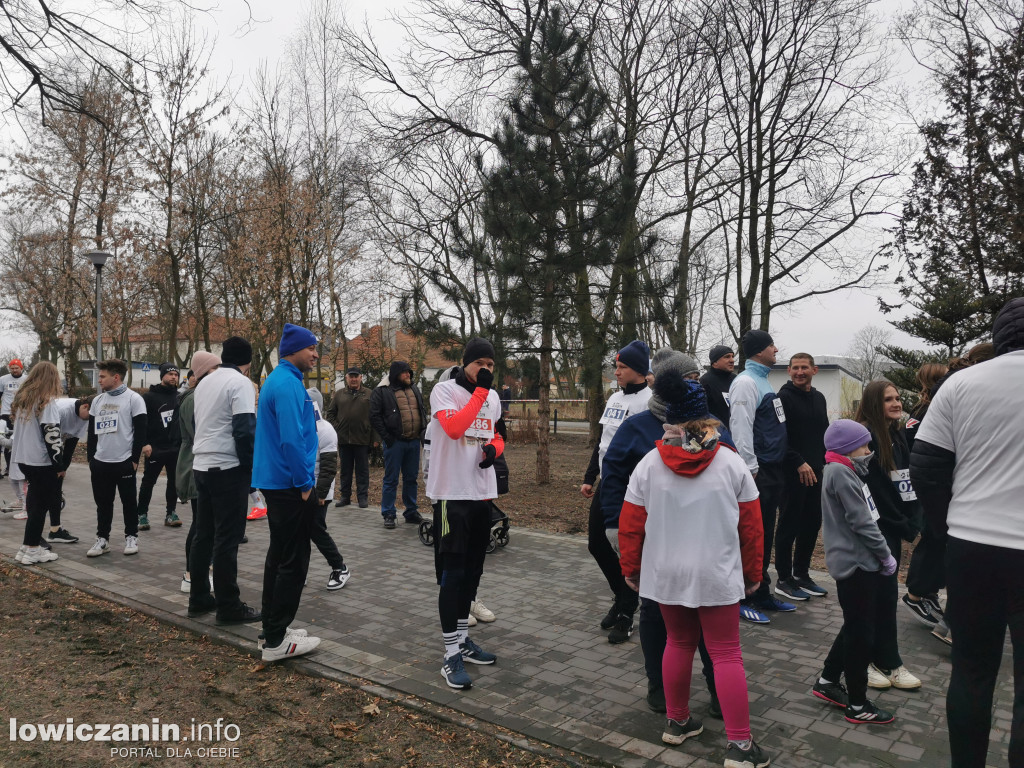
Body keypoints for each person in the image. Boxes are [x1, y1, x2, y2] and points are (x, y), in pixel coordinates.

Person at [618, 379, 770, 768]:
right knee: (726, 653)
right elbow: (752, 527)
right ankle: (740, 746)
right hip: (715, 573)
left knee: (678, 643)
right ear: (706, 420)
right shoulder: (731, 462)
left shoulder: (649, 464)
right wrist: (754, 575)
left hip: (665, 573)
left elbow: (631, 524)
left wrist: (631, 570)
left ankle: (678, 720)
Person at [911, 297, 1024, 768]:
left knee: (972, 672)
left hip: (972, 547)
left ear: (998, 338)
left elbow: (927, 466)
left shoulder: (962, 383)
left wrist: (947, 526)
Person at [602, 350, 726, 716]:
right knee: (655, 615)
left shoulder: (713, 429)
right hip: (657, 543)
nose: (694, 384)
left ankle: (720, 689)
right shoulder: (637, 427)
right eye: (687, 378)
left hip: (707, 544)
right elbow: (613, 476)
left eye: (696, 378)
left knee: (710, 620)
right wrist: (614, 525)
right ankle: (659, 684)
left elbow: (734, 480)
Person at [427, 338, 504, 690]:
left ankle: (463, 642)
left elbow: (499, 432)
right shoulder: (443, 392)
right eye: (480, 363)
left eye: (491, 363)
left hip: (482, 493)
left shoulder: (493, 397)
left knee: (473, 574)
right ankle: (449, 654)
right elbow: (455, 429)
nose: (485, 369)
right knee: (453, 575)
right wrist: (479, 394)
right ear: (465, 363)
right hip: (451, 496)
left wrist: (494, 448)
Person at [812, 420, 897, 725]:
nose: (869, 451)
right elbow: (862, 523)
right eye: (864, 445)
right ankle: (858, 704)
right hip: (857, 565)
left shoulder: (842, 470)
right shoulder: (842, 473)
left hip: (858, 563)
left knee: (855, 624)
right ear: (849, 447)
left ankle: (828, 680)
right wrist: (886, 555)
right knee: (861, 635)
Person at [253, 323, 323, 662]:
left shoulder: (281, 381)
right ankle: (277, 640)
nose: (315, 354)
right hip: (289, 484)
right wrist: (305, 484)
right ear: (294, 349)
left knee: (279, 556)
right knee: (292, 561)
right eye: (311, 348)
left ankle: (272, 629)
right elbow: (292, 440)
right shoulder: (286, 385)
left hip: (278, 481)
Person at [580, 340, 651, 644]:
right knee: (597, 543)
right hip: (608, 484)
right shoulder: (613, 399)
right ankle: (622, 596)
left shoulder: (650, 401)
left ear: (637, 369)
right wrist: (589, 476)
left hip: (633, 487)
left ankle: (626, 613)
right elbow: (603, 441)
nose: (617, 372)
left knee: (628, 549)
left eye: (622, 367)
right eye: (617, 367)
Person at [853, 380, 922, 691]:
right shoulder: (866, 438)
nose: (896, 404)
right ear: (872, 404)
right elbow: (878, 493)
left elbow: (905, 483)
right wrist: (904, 526)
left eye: (897, 398)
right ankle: (864, 660)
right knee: (871, 598)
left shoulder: (897, 434)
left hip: (894, 528)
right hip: (874, 530)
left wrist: (914, 521)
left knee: (885, 596)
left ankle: (886, 658)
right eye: (887, 400)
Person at [189, 336, 260, 625]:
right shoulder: (240, 383)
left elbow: (197, 423)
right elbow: (244, 430)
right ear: (248, 362)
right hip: (228, 467)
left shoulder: (206, 381)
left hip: (202, 465)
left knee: (203, 535)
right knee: (227, 539)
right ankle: (229, 606)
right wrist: (251, 471)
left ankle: (199, 598)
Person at [729, 330, 794, 623]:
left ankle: (761, 590)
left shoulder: (763, 379)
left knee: (765, 534)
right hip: (760, 472)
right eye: (771, 346)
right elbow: (741, 429)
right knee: (753, 535)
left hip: (774, 469)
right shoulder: (744, 382)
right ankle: (743, 596)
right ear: (758, 351)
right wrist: (749, 469)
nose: (776, 349)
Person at [774, 354, 830, 601]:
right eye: (795, 368)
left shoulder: (819, 398)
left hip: (816, 472)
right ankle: (784, 578)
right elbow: (779, 437)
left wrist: (827, 459)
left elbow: (824, 434)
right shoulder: (782, 398)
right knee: (789, 524)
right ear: (788, 370)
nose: (799, 372)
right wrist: (798, 462)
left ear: (814, 370)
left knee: (811, 524)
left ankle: (802, 574)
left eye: (804, 367)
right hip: (792, 472)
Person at [900, 361, 949, 637]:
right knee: (932, 537)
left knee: (939, 539)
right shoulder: (924, 410)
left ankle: (928, 590)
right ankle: (916, 594)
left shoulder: (931, 408)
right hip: (929, 486)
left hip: (934, 485)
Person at [86, 359, 147, 557]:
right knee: (103, 503)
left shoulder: (134, 399)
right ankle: (102, 539)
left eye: (102, 376)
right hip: (101, 462)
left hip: (124, 461)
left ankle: (131, 536)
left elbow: (141, 431)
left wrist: (134, 459)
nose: (99, 380)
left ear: (116, 377)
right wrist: (91, 459)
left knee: (129, 502)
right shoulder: (98, 400)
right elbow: (91, 433)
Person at [10, 361, 65, 565]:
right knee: (39, 508)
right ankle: (33, 550)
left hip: (23, 459)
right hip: (41, 462)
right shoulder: (47, 403)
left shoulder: (24, 402)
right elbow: (52, 437)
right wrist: (59, 466)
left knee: (34, 504)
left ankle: (27, 546)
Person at [176, 351, 219, 594]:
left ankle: (198, 571)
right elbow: (200, 434)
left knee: (203, 523)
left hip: (198, 463)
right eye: (215, 369)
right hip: (196, 465)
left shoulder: (199, 395)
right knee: (201, 524)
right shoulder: (195, 398)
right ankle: (192, 574)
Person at [369, 360, 427, 528]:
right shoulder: (381, 391)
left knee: (411, 478)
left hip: (413, 442)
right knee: (391, 479)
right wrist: (387, 437)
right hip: (395, 443)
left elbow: (421, 410)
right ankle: (388, 513)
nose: (408, 374)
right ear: (395, 374)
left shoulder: (414, 388)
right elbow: (374, 416)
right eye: (404, 372)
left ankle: (411, 511)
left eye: (409, 372)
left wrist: (422, 432)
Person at [137, 362, 183, 530]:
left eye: (176, 374)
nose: (173, 377)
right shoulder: (149, 397)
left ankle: (171, 513)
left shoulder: (179, 396)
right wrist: (145, 443)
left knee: (173, 482)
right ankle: (142, 514)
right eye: (170, 374)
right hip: (154, 448)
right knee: (148, 482)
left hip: (175, 448)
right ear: (162, 375)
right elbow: (141, 423)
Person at [312, 402, 351, 590]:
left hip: (320, 490)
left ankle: (340, 567)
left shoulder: (325, 430)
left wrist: (320, 494)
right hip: (301, 487)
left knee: (316, 529)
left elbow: (328, 466)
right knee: (298, 531)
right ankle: (297, 570)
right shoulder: (297, 425)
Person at [326, 367, 374, 509]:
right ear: (347, 378)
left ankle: (362, 498)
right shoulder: (340, 394)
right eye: (351, 376)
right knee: (345, 471)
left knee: (362, 471)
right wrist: (337, 428)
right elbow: (330, 413)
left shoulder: (369, 394)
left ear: (361, 377)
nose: (353, 379)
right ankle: (345, 497)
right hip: (344, 440)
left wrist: (374, 438)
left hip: (362, 439)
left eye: (356, 376)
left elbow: (375, 416)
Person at [47, 396, 91, 544]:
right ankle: (33, 538)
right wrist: (56, 465)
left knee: (55, 492)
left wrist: (63, 468)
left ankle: (55, 531)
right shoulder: (62, 410)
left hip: (56, 450)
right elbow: (50, 439)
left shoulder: (85, 417)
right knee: (41, 496)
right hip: (42, 448)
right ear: (85, 406)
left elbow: (71, 444)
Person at [1, 358, 26, 476]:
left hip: (21, 414)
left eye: (17, 368)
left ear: (21, 368)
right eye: (12, 368)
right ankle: (6, 468)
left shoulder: (27, 379)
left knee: (17, 441)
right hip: (6, 413)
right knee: (5, 441)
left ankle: (15, 467)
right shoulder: (3, 379)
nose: (14, 370)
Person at [700, 345, 736, 426]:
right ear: (715, 362)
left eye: (732, 356)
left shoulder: (736, 380)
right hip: (718, 433)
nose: (732, 360)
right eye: (727, 357)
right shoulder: (705, 382)